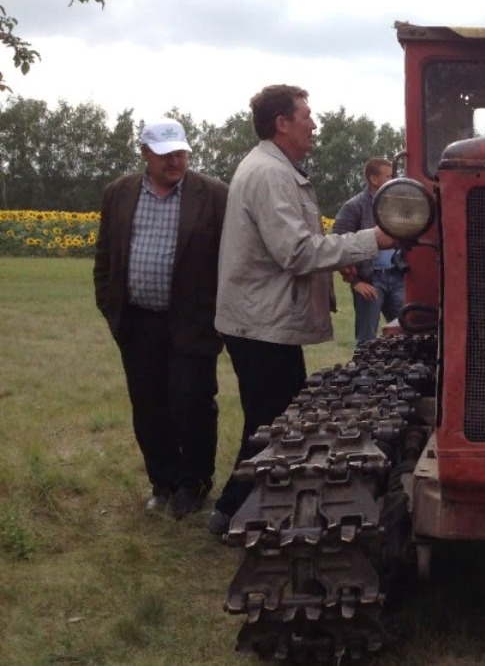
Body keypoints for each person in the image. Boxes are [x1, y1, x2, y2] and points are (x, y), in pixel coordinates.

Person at [209, 84, 396, 535]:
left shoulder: (278, 170)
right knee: (271, 423)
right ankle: (233, 510)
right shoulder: (271, 175)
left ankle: (245, 507)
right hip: (261, 324)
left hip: (265, 320)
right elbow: (294, 251)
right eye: (307, 116)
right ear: (282, 123)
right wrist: (374, 239)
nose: (315, 124)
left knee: (274, 418)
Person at [93, 118, 229, 519]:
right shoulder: (118, 194)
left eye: (181, 151)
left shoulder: (214, 195)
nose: (176, 159)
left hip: (192, 321)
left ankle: (194, 483)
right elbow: (105, 257)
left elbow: (229, 258)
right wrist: (110, 304)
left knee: (192, 403)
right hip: (137, 322)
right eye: (166, 153)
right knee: (148, 405)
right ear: (145, 154)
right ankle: (163, 482)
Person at [333, 157, 404, 346]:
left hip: (396, 277)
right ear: (374, 179)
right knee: (366, 340)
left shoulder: (395, 206)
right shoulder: (354, 207)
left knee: (406, 331)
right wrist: (355, 282)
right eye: (388, 176)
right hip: (371, 281)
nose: (393, 180)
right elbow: (337, 246)